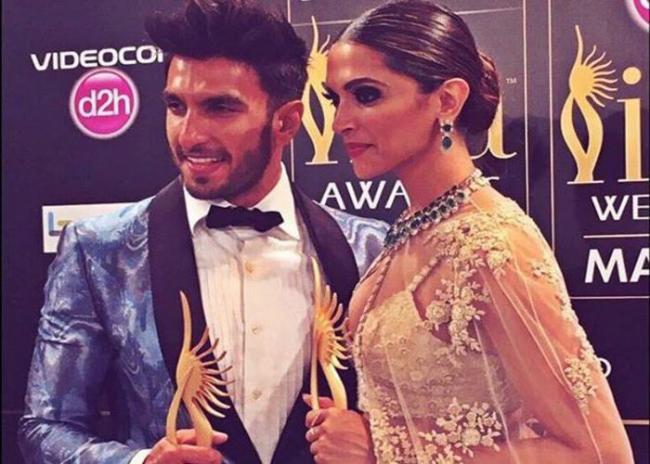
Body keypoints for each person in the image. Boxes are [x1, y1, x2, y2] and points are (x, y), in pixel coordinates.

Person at [18, 1, 387, 463]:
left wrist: (379, 445)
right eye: (177, 106)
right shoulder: (100, 251)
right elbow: (45, 427)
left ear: (287, 122)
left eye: (220, 108)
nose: (189, 135)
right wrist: (139, 462)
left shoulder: (370, 249)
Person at [303, 1, 635, 463]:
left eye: (367, 95)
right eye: (334, 99)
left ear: (447, 101)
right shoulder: (414, 226)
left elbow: (600, 452)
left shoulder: (491, 243)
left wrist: (386, 447)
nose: (341, 121)